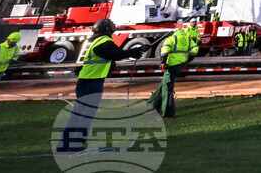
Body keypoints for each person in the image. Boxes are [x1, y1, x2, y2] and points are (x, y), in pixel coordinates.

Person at [57, 19, 145, 152]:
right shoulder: (105, 42)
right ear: (106, 28)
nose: (114, 25)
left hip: (86, 81)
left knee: (77, 114)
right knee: (86, 115)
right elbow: (118, 54)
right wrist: (136, 51)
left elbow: (114, 55)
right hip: (92, 82)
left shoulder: (99, 41)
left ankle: (64, 145)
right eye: (111, 24)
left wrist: (135, 52)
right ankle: (75, 146)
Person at [149, 23, 199, 119]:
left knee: (167, 90)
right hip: (179, 66)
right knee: (163, 88)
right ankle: (155, 109)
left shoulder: (171, 38)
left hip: (170, 66)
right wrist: (187, 61)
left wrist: (163, 63)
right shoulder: (188, 40)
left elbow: (164, 51)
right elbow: (195, 49)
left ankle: (168, 114)